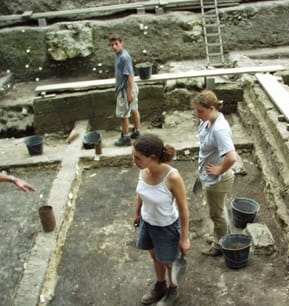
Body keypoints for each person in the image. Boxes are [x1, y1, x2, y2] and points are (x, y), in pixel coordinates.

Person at [132, 134, 190, 305]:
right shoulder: (143, 170)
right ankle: (160, 286)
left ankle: (173, 289)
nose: (133, 161)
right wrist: (137, 213)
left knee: (169, 262)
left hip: (166, 226)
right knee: (155, 256)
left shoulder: (172, 177)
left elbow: (183, 209)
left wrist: (184, 237)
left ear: (152, 158)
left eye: (137, 158)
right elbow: (141, 194)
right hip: (147, 223)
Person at [192, 90, 237, 256]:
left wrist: (219, 169)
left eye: (200, 111)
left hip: (217, 179)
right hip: (211, 176)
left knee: (216, 214)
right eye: (196, 111)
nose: (197, 114)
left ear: (211, 108)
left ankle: (220, 246)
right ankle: (222, 236)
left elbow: (231, 157)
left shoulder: (219, 129)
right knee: (219, 210)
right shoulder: (208, 121)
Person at [109, 34, 141, 146]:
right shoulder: (118, 55)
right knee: (134, 109)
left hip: (125, 89)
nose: (114, 47)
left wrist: (129, 93)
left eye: (116, 44)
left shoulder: (124, 57)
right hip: (126, 88)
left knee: (123, 115)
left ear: (121, 43)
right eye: (112, 45)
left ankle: (126, 137)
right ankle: (136, 131)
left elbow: (129, 76)